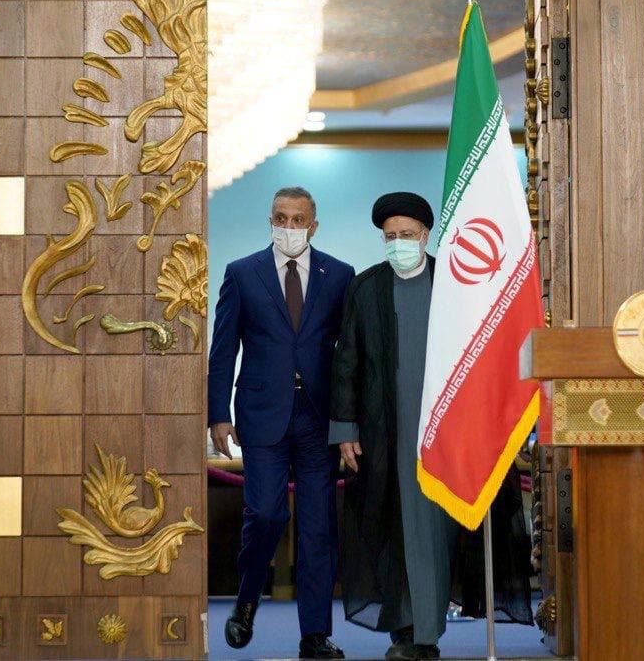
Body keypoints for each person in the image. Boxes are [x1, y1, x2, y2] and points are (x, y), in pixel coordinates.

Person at [329, 192, 532, 661]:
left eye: (407, 234)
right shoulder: (366, 288)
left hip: (447, 432)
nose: (399, 243)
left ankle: (425, 630)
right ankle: (409, 630)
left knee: (437, 533)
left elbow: (484, 353)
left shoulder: (454, 284)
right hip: (387, 433)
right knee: (398, 528)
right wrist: (345, 430)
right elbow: (347, 361)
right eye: (391, 236)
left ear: (426, 235)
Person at [208, 186, 354, 660]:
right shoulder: (242, 273)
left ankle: (315, 635)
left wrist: (349, 421)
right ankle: (247, 599)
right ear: (270, 221)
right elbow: (223, 349)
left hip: (318, 420)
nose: (288, 227)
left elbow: (349, 355)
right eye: (280, 218)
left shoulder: (340, 275)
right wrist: (218, 415)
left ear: (314, 226)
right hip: (261, 416)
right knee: (266, 514)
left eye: (297, 219)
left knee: (318, 528)